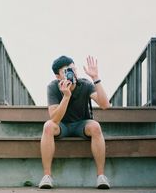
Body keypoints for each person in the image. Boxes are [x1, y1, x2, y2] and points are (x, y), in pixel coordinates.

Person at [39, 55, 110, 189]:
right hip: (62, 125)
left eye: (73, 69)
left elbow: (105, 105)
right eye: (66, 71)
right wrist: (66, 96)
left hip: (81, 124)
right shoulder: (53, 87)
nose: (72, 73)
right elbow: (54, 119)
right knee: (48, 126)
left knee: (95, 126)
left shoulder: (85, 84)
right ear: (58, 76)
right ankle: (47, 176)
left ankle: (101, 176)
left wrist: (95, 78)